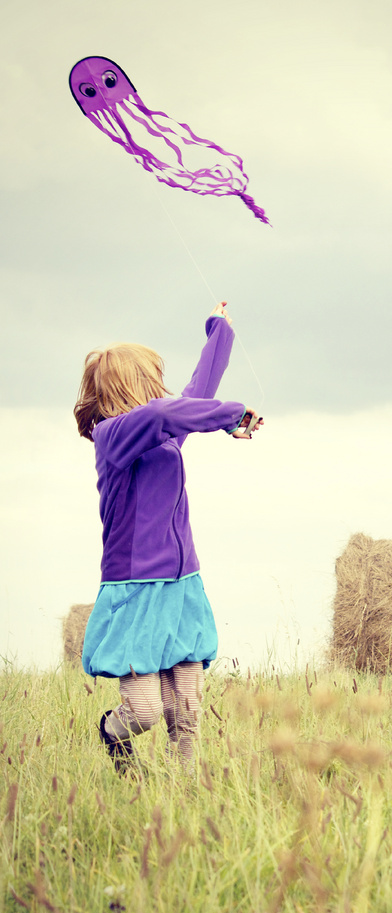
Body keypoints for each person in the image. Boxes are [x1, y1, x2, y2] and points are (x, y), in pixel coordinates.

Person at [74, 302, 262, 772]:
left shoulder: (164, 436)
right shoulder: (113, 436)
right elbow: (164, 411)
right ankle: (111, 732)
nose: (162, 385)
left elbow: (194, 395)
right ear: (132, 383)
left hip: (182, 586)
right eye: (153, 376)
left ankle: (183, 792)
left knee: (189, 712)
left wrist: (219, 333)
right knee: (144, 711)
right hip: (135, 588)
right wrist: (233, 414)